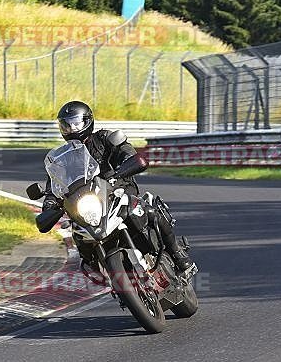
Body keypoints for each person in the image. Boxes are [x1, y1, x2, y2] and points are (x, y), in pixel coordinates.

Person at [42, 100, 195, 281]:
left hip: (118, 190)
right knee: (78, 232)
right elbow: (55, 183)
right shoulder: (62, 158)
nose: (72, 128)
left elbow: (126, 151)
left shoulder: (104, 138)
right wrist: (50, 201)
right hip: (90, 204)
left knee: (150, 211)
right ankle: (95, 266)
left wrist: (127, 161)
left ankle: (177, 254)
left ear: (88, 121)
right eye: (66, 125)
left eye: (76, 123)